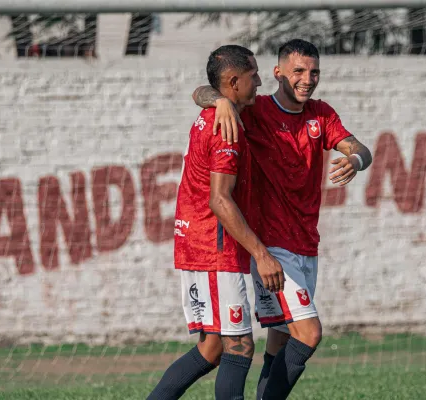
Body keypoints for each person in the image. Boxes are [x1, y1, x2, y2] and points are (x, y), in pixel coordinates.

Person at [192, 39, 373, 400]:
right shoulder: (256, 109)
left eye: (314, 71)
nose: (308, 79)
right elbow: (202, 92)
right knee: (309, 333)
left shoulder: (321, 114)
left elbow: (361, 149)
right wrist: (221, 101)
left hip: (307, 243)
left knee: (281, 338)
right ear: (278, 74)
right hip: (274, 247)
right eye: (299, 72)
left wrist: (354, 160)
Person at [146, 44, 285, 400]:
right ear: (234, 81)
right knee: (238, 345)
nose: (259, 80)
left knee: (212, 348)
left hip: (199, 243)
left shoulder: (219, 110)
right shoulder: (226, 128)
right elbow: (220, 199)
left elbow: (201, 91)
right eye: (253, 75)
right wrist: (261, 253)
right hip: (213, 248)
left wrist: (218, 99)